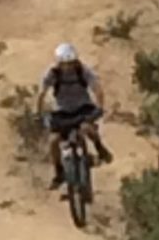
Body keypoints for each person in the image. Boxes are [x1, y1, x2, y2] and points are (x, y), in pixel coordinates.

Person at [38, 42, 111, 192]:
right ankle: (59, 172)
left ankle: (100, 148)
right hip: (62, 111)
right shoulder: (52, 74)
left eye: (70, 63)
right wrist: (39, 113)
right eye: (65, 64)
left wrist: (100, 107)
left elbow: (97, 88)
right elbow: (42, 93)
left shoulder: (82, 71)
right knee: (53, 141)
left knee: (88, 128)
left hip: (82, 107)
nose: (68, 67)